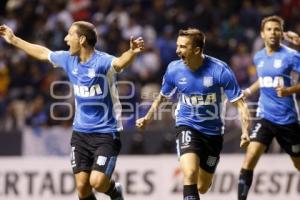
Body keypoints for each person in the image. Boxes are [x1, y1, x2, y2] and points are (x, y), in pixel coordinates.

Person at [0, 21, 144, 200]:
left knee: (97, 182)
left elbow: (120, 63)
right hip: (80, 133)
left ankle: (115, 191)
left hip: (106, 134)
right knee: (82, 188)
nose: (65, 38)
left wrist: (131, 52)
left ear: (82, 39)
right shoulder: (69, 59)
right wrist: (14, 40)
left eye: (70, 34)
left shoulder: (102, 62)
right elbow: (44, 53)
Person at [136, 28, 250, 200]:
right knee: (189, 173)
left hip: (213, 133)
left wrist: (246, 131)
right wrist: (147, 117)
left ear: (196, 50)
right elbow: (162, 97)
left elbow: (241, 105)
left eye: (183, 47)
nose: (177, 51)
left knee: (203, 187)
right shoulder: (174, 69)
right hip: (187, 125)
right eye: (177, 46)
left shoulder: (220, 71)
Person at [238, 15, 300, 200]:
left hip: (287, 120)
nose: (273, 33)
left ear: (281, 34)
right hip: (265, 117)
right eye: (269, 29)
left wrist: (289, 90)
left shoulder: (291, 55)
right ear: (262, 34)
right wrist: (248, 91)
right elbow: (263, 80)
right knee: (250, 158)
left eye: (276, 29)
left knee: (298, 164)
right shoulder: (258, 57)